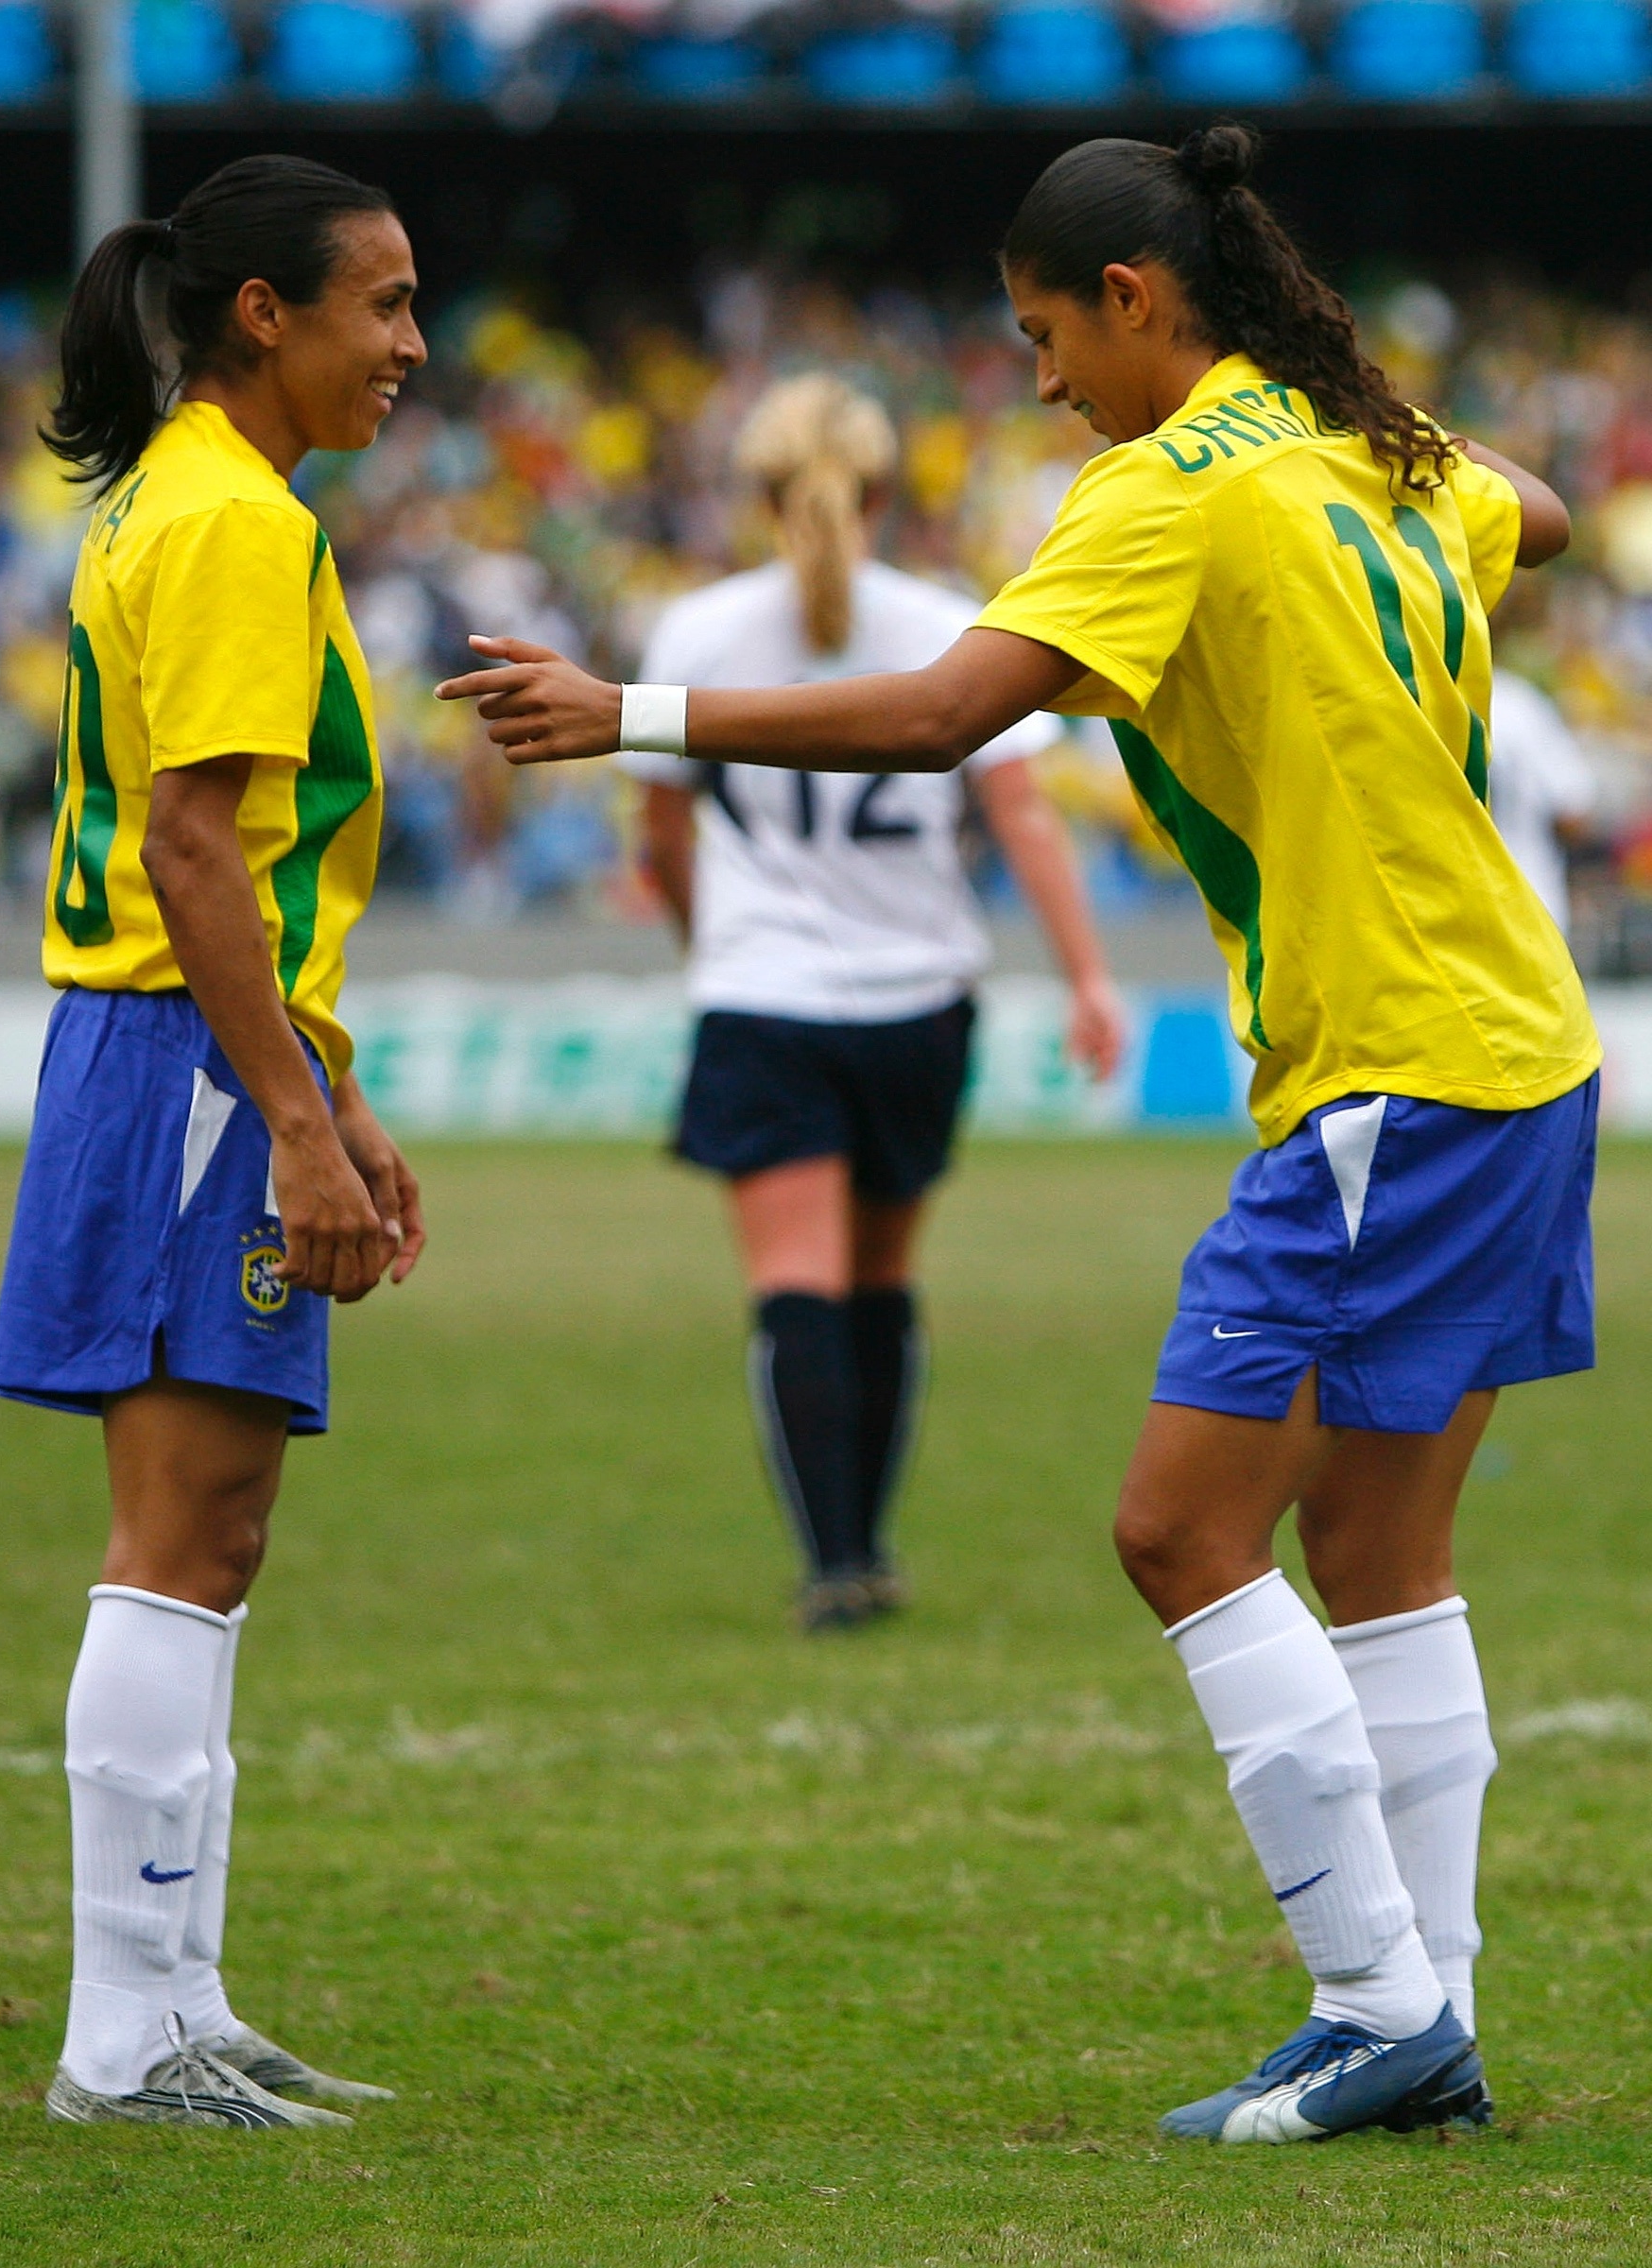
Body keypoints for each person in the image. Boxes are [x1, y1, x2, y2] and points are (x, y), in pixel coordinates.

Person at [439, 126, 1600, 2144]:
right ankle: (1437, 2021)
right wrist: (1375, 421)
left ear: (1135, 302)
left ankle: (1375, 2006)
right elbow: (1557, 514)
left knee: (1178, 1529)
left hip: (1396, 1068)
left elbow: (939, 714)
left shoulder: (1161, 490)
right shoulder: (1361, 450)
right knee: (1383, 1546)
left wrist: (629, 712)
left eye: (1044, 331)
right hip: (1525, 1049)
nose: (1040, 377)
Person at [0, 155, 427, 2129]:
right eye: (385, 305)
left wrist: (327, 1095)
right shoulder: (237, 523)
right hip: (178, 1063)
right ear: (268, 314)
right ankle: (119, 2036)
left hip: (190, 1054)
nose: (413, 346)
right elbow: (192, 849)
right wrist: (287, 1118)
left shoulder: (188, 493)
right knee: (183, 1536)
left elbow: (220, 852)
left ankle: (177, 2002)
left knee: (212, 1535)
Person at [622, 373, 1123, 1630]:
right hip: (918, 998)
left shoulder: (698, 632)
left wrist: (713, 946)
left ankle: (834, 1560)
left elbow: (663, 839)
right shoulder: (957, 624)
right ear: (890, 492)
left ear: (757, 495)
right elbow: (1022, 821)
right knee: (885, 1282)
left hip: (764, 996)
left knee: (796, 1286)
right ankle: (873, 1548)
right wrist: (1089, 979)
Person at [1489, 668, 1596, 937]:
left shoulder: (1413, 695)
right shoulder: (1518, 703)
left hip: (1440, 911)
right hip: (1530, 900)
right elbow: (1573, 815)